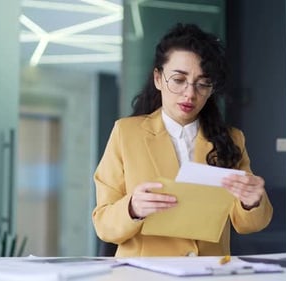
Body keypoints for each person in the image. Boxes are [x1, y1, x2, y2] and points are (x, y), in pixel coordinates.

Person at [92, 23, 273, 257]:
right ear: (158, 78)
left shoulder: (231, 139)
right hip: (145, 273)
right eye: (179, 80)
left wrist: (251, 202)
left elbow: (248, 224)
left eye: (202, 83)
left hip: (208, 272)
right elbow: (103, 224)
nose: (190, 94)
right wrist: (132, 208)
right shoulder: (126, 133)